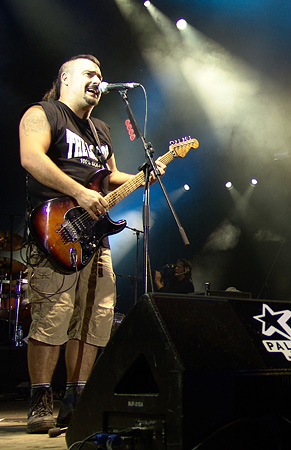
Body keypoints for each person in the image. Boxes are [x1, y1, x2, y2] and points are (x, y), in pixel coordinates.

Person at [19, 54, 165, 433]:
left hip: (94, 237)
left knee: (97, 315)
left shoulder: (100, 129)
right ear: (66, 77)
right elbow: (31, 158)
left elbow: (110, 175)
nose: (97, 80)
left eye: (101, 75)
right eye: (89, 73)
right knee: (54, 314)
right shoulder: (43, 113)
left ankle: (77, 398)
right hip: (56, 228)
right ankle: (40, 401)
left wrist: (142, 176)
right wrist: (78, 193)